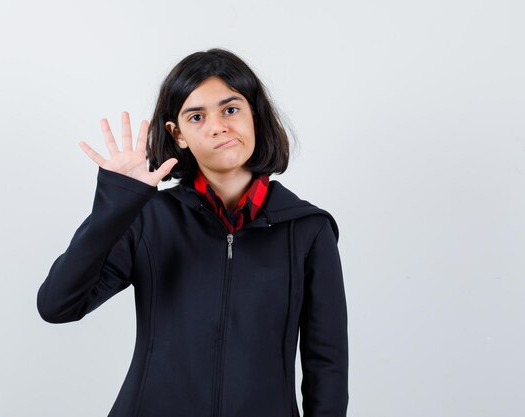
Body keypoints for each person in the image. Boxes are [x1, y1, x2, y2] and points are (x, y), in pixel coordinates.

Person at [37, 48, 348, 417]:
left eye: (230, 109)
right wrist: (115, 206)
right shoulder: (148, 218)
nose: (218, 126)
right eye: (196, 116)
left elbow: (326, 365)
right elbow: (57, 305)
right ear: (177, 134)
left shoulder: (307, 229)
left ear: (255, 116)